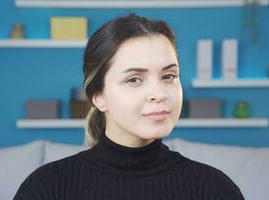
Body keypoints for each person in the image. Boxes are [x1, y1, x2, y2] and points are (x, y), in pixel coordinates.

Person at [14, 13, 244, 200]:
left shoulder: (213, 189)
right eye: (134, 79)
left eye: (169, 76)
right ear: (98, 96)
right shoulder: (47, 188)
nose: (159, 94)